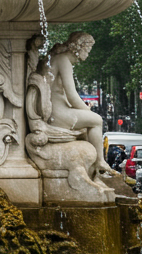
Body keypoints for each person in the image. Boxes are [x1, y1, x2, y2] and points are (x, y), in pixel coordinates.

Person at [46, 32, 114, 176]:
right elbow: (72, 96)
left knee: (89, 122)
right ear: (79, 47)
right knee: (96, 121)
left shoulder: (56, 59)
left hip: (54, 110)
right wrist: (88, 112)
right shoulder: (64, 61)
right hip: (58, 114)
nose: (88, 54)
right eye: (87, 50)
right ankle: (100, 161)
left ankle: (92, 167)